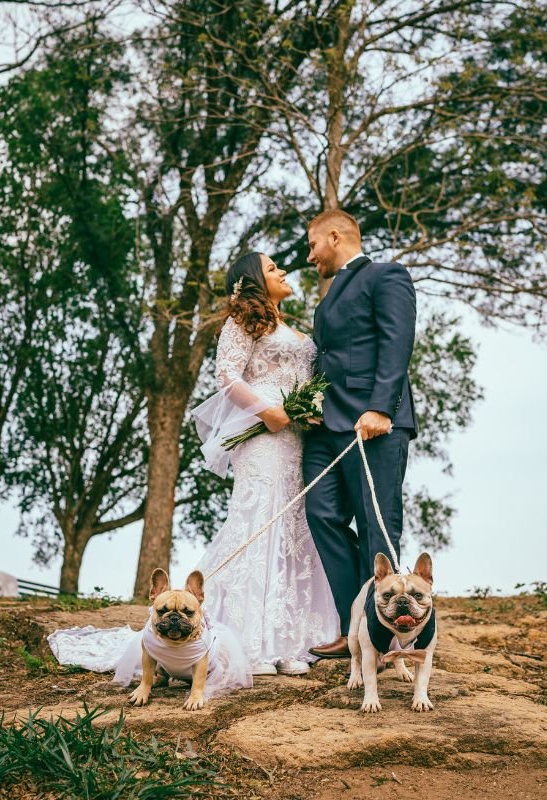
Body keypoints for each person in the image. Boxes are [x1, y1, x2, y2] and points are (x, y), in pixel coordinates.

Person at [192, 252, 339, 676]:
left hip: (297, 438)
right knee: (259, 521)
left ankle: (288, 641)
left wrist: (307, 409)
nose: (284, 272)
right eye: (274, 268)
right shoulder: (241, 322)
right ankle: (247, 641)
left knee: (295, 528)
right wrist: (266, 411)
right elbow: (228, 376)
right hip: (263, 437)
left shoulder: (292, 325)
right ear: (254, 279)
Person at [303, 210, 418, 659]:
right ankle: (352, 622)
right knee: (321, 513)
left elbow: (397, 340)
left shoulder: (387, 276)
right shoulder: (329, 295)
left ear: (335, 236)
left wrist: (380, 407)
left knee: (376, 524)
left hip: (375, 425)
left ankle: (382, 634)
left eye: (313, 245)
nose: (310, 256)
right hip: (326, 428)